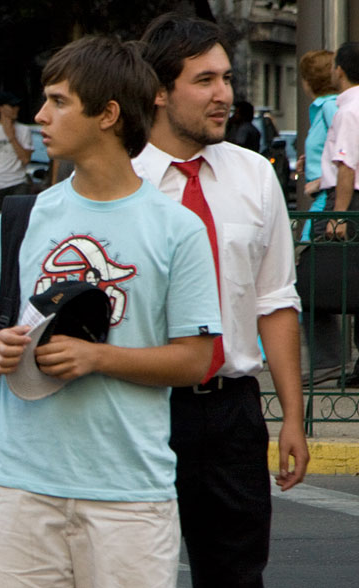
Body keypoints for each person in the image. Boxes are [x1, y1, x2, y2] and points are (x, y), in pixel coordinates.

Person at [0, 36, 221, 587]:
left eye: (58, 101)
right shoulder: (23, 216)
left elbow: (195, 360)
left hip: (128, 494)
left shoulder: (176, 228)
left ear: (107, 114)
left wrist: (97, 357)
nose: (40, 115)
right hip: (19, 485)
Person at [136, 14, 309, 587]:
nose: (224, 95)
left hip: (232, 410)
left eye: (227, 78)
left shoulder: (255, 176)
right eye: (205, 80)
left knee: (237, 574)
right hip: (140, 408)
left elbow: (276, 300)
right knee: (133, 569)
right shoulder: (119, 181)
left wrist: (292, 417)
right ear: (159, 91)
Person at [297, 49, 344, 386]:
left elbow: (345, 153)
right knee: (315, 282)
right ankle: (330, 361)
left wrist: (318, 180)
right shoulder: (324, 110)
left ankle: (329, 362)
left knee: (309, 283)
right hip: (322, 203)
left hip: (327, 204)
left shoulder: (330, 108)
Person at [316, 42, 359, 387]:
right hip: (345, 196)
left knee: (310, 281)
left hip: (346, 201)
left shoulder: (347, 110)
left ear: (340, 70)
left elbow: (347, 165)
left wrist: (339, 214)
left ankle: (328, 361)